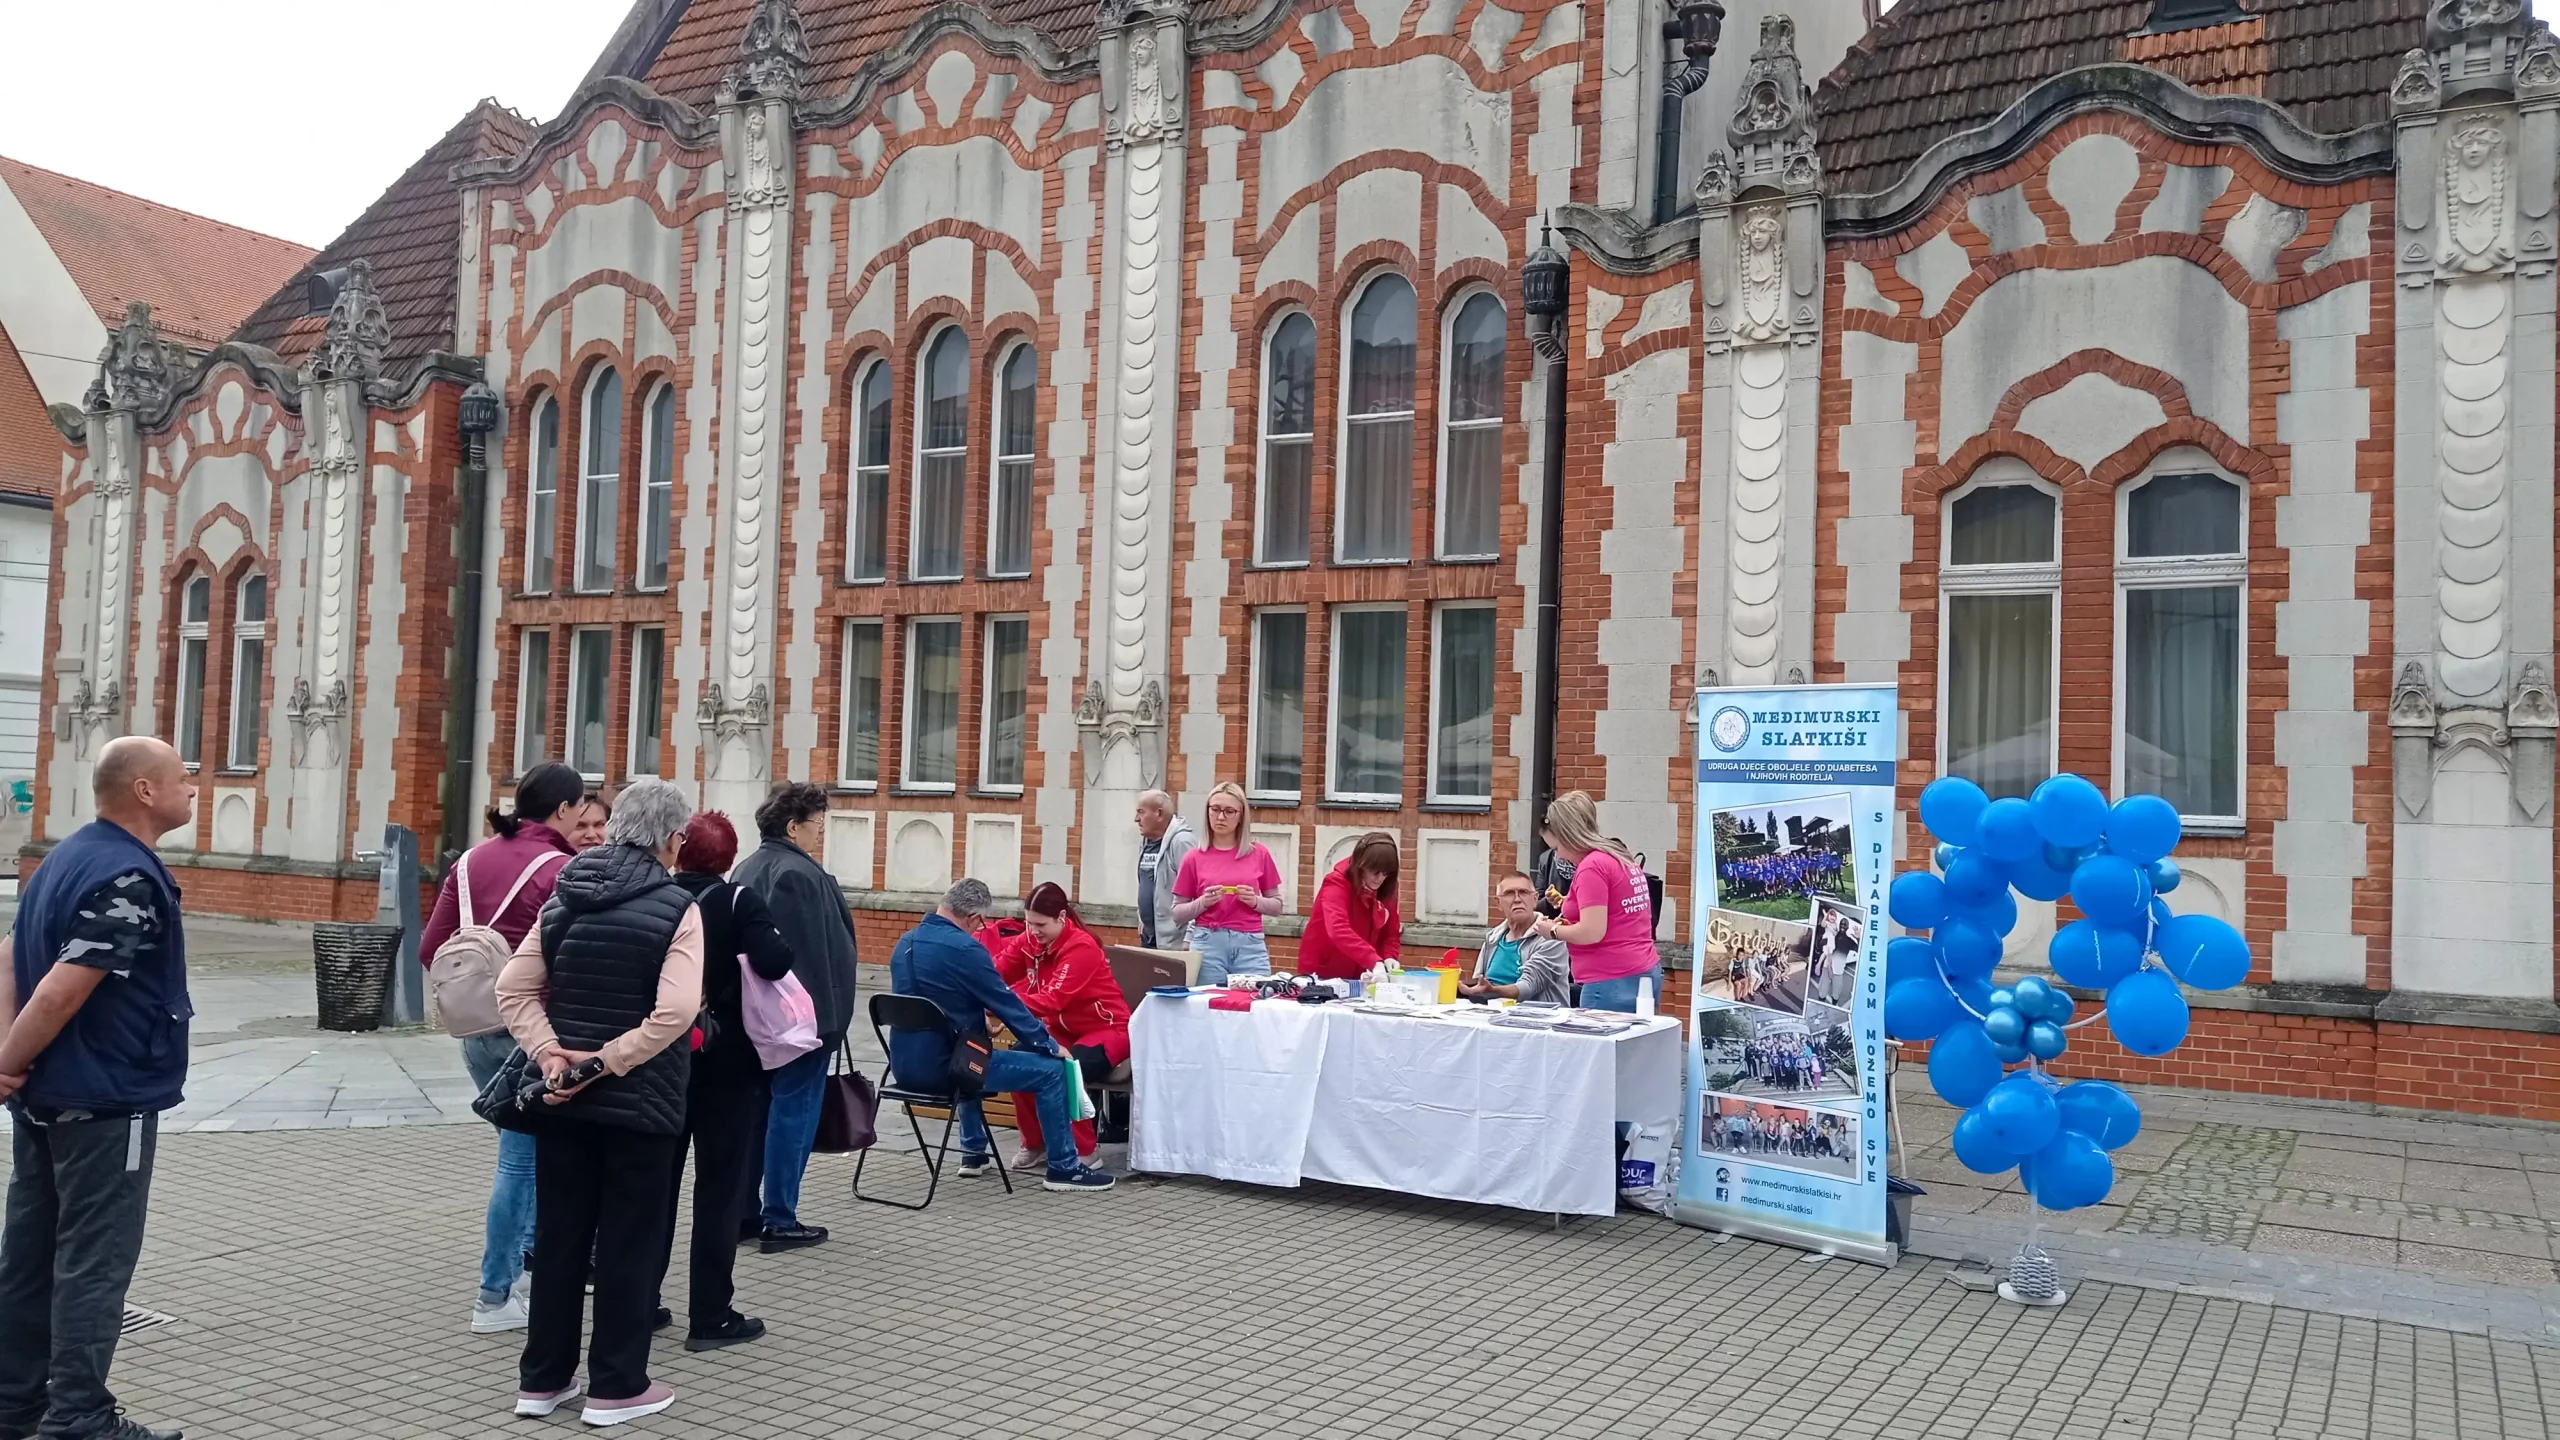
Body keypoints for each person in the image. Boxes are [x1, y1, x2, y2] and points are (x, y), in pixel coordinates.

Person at [0, 737, 197, 1440]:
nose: (193, 786)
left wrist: (9, 1060)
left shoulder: (63, 856)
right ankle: (79, 1417)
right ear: (145, 791)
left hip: (47, 1096)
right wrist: (7, 1060)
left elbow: (10, 956)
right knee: (93, 1263)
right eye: (181, 777)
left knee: (28, 1254)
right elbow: (58, 991)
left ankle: (15, 1403)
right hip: (107, 1097)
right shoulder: (126, 876)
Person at [496, 778, 703, 1427]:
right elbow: (676, 1012)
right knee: (628, 1244)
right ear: (674, 840)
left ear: (614, 829)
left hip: (563, 1103)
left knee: (559, 1240)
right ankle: (616, 1386)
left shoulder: (565, 894)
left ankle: (543, 1381)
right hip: (639, 1104)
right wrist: (603, 1064)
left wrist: (551, 1054)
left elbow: (513, 987)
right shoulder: (677, 906)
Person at [418, 760, 584, 1334]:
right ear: (563, 810)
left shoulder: (468, 861)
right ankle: (494, 1294)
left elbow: (430, 948)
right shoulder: (559, 867)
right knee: (521, 1160)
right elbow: (570, 956)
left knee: (529, 1153)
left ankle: (525, 1277)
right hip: (532, 1029)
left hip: (474, 1028)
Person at [653, 812, 793, 1354]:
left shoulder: (658, 898)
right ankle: (710, 1314)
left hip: (663, 1059)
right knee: (718, 1190)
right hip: (728, 1063)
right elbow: (777, 961)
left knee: (655, 1189)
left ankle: (643, 1304)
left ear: (681, 850)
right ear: (729, 858)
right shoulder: (737, 901)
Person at [886, 880, 1114, 1192]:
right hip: (951, 1071)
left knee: (971, 1046)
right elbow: (1007, 1005)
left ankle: (973, 1153)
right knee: (1050, 1070)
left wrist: (978, 1016)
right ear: (973, 919)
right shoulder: (965, 949)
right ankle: (1064, 1167)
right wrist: (1047, 1044)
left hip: (903, 1069)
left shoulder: (905, 942)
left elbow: (935, 1004)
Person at [730, 781, 859, 1252]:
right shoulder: (797, 875)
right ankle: (779, 1217)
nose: (819, 834)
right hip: (799, 1022)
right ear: (792, 827)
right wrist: (830, 1023)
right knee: (793, 1114)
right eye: (816, 825)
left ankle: (744, 1211)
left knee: (758, 1113)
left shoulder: (748, 866)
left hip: (756, 1018)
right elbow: (813, 958)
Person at [981, 883, 1131, 1168]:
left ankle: (1084, 1150)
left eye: (1041, 924)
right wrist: (981, 1002)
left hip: (1107, 1028)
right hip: (1060, 1029)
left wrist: (1000, 1008)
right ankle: (1035, 1143)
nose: (1033, 931)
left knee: (1067, 1069)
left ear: (1061, 917)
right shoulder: (1028, 940)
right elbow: (994, 975)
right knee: (1019, 1061)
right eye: (1028, 923)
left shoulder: (1082, 946)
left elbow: (1053, 1000)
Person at [1529, 791, 1663, 1012]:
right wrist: (1568, 908)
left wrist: (1551, 930)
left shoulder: (1592, 867)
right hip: (1642, 971)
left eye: (1557, 848)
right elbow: (1618, 913)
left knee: (1601, 1047)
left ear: (1569, 835)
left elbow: (1592, 932)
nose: (1559, 857)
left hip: (1610, 980)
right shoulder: (1617, 856)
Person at [1169, 782, 1282, 984]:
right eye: (1215, 809)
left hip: (1250, 944)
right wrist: (1203, 902)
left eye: (1229, 811)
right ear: (1207, 812)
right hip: (1208, 942)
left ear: (1241, 816)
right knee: (1209, 1006)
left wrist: (1254, 901)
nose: (1221, 817)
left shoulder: (1259, 854)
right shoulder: (1193, 857)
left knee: (1254, 1007)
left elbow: (1277, 906)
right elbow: (1177, 913)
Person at [1295, 833, 1401, 981]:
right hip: (1324, 972)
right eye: (1375, 872)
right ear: (1361, 865)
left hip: (1362, 972)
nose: (1380, 879)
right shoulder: (1336, 882)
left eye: (1386, 873)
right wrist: (1373, 960)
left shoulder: (1387, 886)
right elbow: (1338, 929)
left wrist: (1389, 957)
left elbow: (1391, 932)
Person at [1459, 872, 1571, 1004]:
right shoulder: (1493, 938)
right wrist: (1462, 986)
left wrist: (1493, 990)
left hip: (1540, 1019)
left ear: (1535, 899)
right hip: (1493, 1015)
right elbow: (1480, 982)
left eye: (1523, 892)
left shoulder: (1551, 937)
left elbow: (1528, 987)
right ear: (1498, 903)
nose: (1517, 899)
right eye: (1509, 893)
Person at [1132, 790, 1196, 951]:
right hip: (1150, 938)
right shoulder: (1146, 842)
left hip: (1175, 943)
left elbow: (1198, 892)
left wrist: (1190, 937)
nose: (1136, 819)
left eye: (1141, 812)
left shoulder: (1182, 842)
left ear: (1159, 814)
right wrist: (1143, 920)